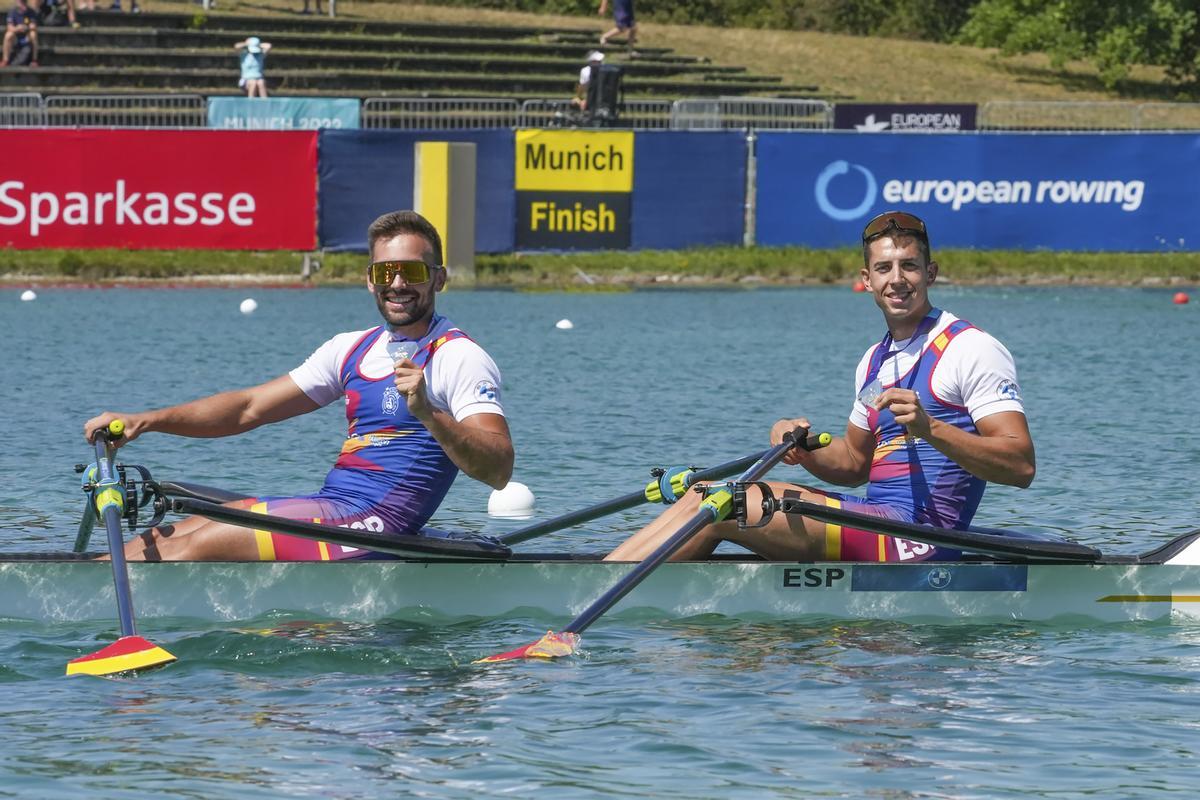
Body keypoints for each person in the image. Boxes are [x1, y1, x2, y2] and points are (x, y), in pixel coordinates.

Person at [84, 210, 515, 562]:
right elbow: (247, 409)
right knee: (168, 534)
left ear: (438, 279)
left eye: (412, 271)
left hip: (378, 526)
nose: (398, 284)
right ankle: (84, 592)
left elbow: (498, 470)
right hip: (333, 508)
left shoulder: (457, 356)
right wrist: (147, 420)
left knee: (195, 546)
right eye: (386, 272)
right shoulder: (350, 348)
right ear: (370, 279)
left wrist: (428, 413)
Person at [607, 210, 1035, 563]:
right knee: (706, 494)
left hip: (923, 539)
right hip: (878, 522)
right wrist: (802, 447)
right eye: (884, 268)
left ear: (931, 273)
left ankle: (593, 600)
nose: (897, 279)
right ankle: (609, 578)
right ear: (867, 279)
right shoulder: (875, 360)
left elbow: (1020, 467)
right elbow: (852, 463)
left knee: (730, 504)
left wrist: (931, 429)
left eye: (909, 266)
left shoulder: (971, 348)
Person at [1, 0, 38, 67]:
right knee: (8, 35)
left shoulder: (31, 11)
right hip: (15, 36)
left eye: (23, 1)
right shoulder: (12, 11)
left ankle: (34, 60)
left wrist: (26, 28)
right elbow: (9, 27)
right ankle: (5, 60)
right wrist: (17, 28)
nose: (21, 3)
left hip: (26, 35)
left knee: (33, 34)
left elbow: (33, 25)